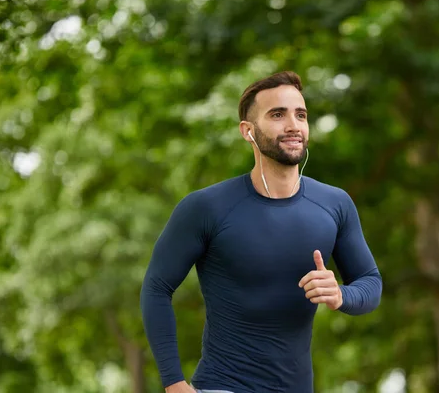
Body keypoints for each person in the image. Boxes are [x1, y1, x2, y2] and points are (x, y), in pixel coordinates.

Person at [140, 71, 383, 393]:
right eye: (277, 115)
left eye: (301, 115)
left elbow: (371, 282)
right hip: (223, 386)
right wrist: (173, 383)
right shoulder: (206, 207)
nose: (293, 125)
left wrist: (341, 294)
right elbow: (157, 287)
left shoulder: (334, 204)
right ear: (248, 131)